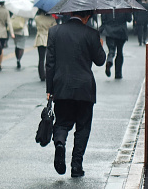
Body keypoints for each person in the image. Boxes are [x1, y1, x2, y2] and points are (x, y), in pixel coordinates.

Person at [45, 10, 106, 178]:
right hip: (84, 89)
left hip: (61, 86)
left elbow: (50, 62)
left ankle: (59, 143)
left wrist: (50, 89)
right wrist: (99, 45)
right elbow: (100, 61)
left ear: (71, 12)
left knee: (62, 122)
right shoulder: (92, 33)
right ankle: (76, 165)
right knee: (83, 127)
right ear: (87, 17)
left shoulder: (55, 31)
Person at [99, 0, 132, 79]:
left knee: (111, 50)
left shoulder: (107, 5)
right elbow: (129, 19)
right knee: (120, 52)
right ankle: (118, 74)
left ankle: (109, 60)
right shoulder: (125, 5)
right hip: (121, 31)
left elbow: (103, 19)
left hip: (109, 31)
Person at [34, 8, 56, 81]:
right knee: (49, 58)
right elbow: (55, 28)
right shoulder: (52, 19)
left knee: (41, 58)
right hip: (49, 38)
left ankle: (41, 75)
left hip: (40, 38)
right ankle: (48, 74)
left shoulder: (37, 18)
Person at [0, 2, 15, 71]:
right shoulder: (6, 11)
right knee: (1, 48)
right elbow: (9, 22)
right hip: (3, 32)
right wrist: (12, 33)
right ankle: (0, 64)